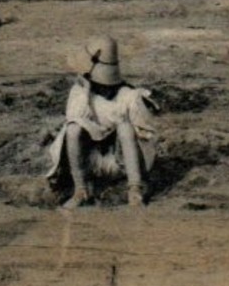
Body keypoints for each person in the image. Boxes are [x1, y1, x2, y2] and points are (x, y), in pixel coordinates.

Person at [44, 36, 158, 209]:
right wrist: (86, 92)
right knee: (73, 128)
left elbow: (146, 135)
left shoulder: (128, 95)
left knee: (126, 127)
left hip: (120, 164)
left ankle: (134, 190)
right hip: (90, 162)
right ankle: (81, 190)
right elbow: (74, 117)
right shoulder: (81, 93)